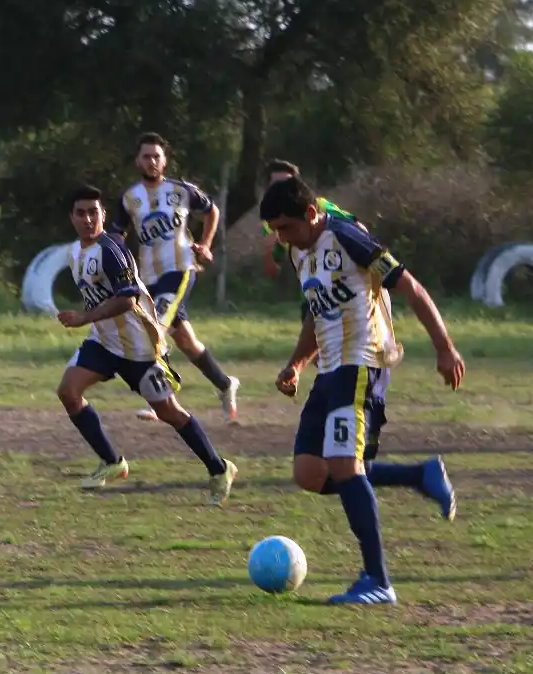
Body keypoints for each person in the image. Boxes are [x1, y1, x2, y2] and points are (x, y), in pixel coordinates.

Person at [262, 177, 463, 605]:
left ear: (312, 214)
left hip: (362, 364)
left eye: (286, 228)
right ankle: (418, 474)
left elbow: (412, 288)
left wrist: (445, 349)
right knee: (310, 474)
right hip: (329, 370)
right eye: (275, 230)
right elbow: (317, 314)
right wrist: (297, 363)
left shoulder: (348, 237)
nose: (281, 238)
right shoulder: (300, 253)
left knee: (345, 466)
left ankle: (378, 580)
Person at [55, 185, 237, 505]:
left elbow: (126, 299)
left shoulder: (111, 249)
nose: (87, 219)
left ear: (103, 215)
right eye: (81, 213)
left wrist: (84, 318)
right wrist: (91, 322)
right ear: (71, 217)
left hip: (141, 348)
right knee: (68, 391)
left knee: (169, 412)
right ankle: (113, 462)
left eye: (93, 212)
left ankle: (220, 469)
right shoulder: (74, 253)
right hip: (104, 343)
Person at [109, 133, 239, 423]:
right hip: (149, 277)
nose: (152, 161)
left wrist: (205, 245)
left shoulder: (181, 190)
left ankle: (162, 399)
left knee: (153, 328)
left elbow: (211, 211)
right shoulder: (130, 198)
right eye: (146, 156)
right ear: (137, 161)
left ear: (165, 160)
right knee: (184, 340)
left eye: (157, 156)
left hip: (180, 269)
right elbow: (117, 234)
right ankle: (224, 383)